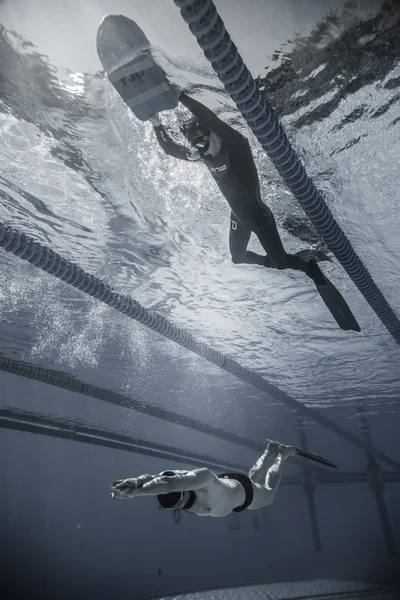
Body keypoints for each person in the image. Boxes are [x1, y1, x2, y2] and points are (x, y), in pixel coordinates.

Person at [151, 92, 328, 283]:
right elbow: (169, 149)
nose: (203, 148)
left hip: (259, 217)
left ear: (212, 133)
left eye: (204, 141)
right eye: (196, 145)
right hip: (238, 217)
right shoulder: (204, 156)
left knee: (281, 263)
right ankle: (288, 258)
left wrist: (180, 96)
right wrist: (155, 123)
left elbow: (211, 119)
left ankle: (310, 269)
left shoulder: (237, 144)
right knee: (238, 258)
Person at [110, 441, 297, 517]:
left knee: (270, 495)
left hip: (235, 492)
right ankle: (268, 451)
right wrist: (137, 481)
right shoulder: (193, 483)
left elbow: (169, 483)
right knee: (252, 481)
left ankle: (282, 455)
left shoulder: (203, 478)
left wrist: (137, 491)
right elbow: (162, 480)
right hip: (229, 486)